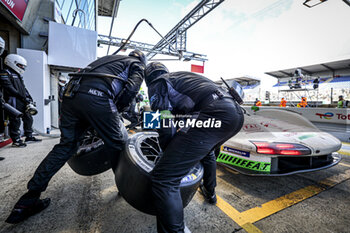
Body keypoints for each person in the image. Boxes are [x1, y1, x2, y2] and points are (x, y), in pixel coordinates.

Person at [5, 50, 146, 224]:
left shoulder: (107, 59)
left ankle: (27, 201)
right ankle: (124, 189)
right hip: (98, 97)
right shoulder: (136, 64)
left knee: (65, 147)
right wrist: (115, 111)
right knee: (119, 143)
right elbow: (131, 89)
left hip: (70, 97)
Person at [145, 62, 244, 233]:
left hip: (213, 113)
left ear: (148, 78)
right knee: (208, 153)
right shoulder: (183, 78)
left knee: (164, 178)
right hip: (235, 115)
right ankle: (210, 192)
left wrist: (168, 152)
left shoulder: (158, 83)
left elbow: (164, 120)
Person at [0, 54, 41, 147]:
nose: (22, 67)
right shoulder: (4, 72)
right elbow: (8, 87)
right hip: (12, 100)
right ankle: (16, 140)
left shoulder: (18, 74)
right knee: (15, 120)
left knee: (28, 118)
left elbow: (23, 88)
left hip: (22, 100)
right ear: (12, 62)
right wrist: (22, 97)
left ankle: (29, 136)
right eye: (21, 65)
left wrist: (28, 98)